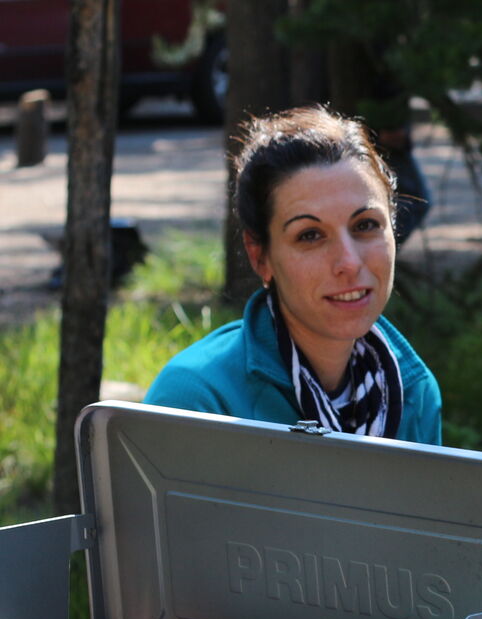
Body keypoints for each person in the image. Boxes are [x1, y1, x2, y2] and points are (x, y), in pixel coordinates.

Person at [144, 106, 442, 444]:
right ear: (261, 257)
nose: (349, 262)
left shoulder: (412, 390)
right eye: (310, 235)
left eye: (365, 225)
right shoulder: (197, 402)